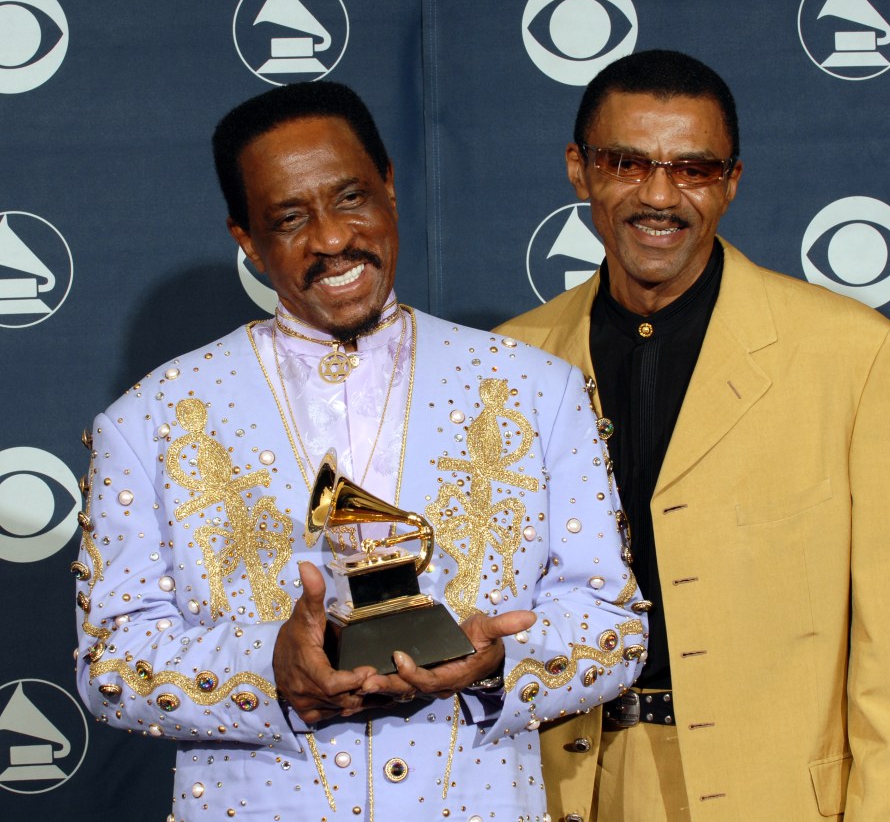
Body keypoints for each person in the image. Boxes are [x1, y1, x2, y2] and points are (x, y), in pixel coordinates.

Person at [72, 80, 647, 820]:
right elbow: (110, 660)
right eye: (289, 217)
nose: (333, 239)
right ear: (245, 238)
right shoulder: (147, 421)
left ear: (391, 190)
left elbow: (613, 623)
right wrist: (269, 667)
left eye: (351, 198)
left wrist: (502, 663)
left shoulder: (537, 391)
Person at [496, 50, 890, 822]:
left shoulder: (855, 355)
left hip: (766, 794)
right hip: (555, 788)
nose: (659, 194)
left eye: (694, 169)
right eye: (627, 162)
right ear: (579, 170)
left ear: (732, 181)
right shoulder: (508, 361)